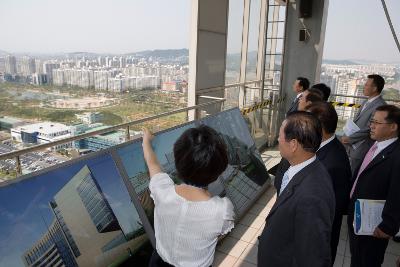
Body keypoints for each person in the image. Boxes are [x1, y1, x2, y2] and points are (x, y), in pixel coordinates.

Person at [142, 125, 235, 267]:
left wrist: (146, 142)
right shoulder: (222, 210)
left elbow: (153, 164)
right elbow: (220, 234)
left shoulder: (162, 191)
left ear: (177, 161)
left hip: (158, 263)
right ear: (219, 170)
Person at [258, 111, 335, 267]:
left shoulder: (312, 196)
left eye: (280, 135)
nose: (278, 140)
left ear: (293, 145)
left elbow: (312, 257)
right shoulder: (306, 169)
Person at [347, 105, 400, 267]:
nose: (371, 125)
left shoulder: (396, 155)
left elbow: (397, 193)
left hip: (374, 224)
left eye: (377, 123)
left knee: (368, 260)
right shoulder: (377, 144)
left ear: (393, 127)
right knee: (356, 256)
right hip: (358, 213)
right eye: (371, 121)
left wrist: (388, 225)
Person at [308, 102, 352, 265]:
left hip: (320, 235)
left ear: (319, 128)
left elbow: (338, 205)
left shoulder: (333, 162)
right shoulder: (326, 147)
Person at [341, 74, 386, 173]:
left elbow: (371, 128)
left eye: (366, 85)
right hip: (353, 145)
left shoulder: (380, 105)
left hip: (362, 146)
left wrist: (350, 138)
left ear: (374, 88)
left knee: (354, 174)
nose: (364, 87)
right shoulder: (366, 102)